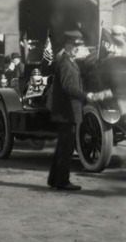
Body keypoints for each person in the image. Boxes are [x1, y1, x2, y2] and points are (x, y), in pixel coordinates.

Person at [47, 31, 109, 191]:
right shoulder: (65, 63)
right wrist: (86, 95)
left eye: (78, 45)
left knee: (62, 147)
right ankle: (63, 181)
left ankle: (54, 179)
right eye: (74, 45)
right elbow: (69, 87)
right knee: (66, 148)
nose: (77, 48)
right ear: (67, 45)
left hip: (67, 111)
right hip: (67, 112)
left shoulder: (69, 61)